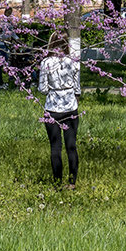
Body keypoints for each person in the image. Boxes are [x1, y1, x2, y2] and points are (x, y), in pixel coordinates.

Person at [38, 30, 80, 187]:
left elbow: (42, 89)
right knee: (71, 146)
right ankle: (72, 182)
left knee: (55, 147)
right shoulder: (73, 61)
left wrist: (52, 88)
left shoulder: (46, 63)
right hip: (70, 108)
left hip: (52, 109)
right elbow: (77, 88)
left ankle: (57, 183)